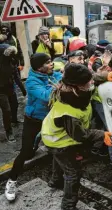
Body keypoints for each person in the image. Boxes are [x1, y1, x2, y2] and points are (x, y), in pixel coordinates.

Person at [41, 63, 112, 210]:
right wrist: (101, 134)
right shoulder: (69, 113)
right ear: (77, 86)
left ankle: (55, 181)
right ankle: (68, 206)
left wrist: (105, 76)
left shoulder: (70, 88)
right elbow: (80, 136)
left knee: (59, 160)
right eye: (88, 83)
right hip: (59, 142)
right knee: (73, 173)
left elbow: (90, 78)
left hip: (53, 137)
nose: (92, 83)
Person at [5, 53, 62, 201]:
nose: (52, 64)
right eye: (48, 62)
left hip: (51, 119)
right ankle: (11, 181)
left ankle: (58, 177)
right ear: (39, 66)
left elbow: (65, 76)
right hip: (34, 120)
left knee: (59, 148)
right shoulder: (31, 82)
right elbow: (46, 96)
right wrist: (62, 85)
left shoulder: (53, 75)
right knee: (25, 152)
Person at [0, 43, 18, 142]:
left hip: (10, 88)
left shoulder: (12, 61)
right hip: (1, 90)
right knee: (6, 110)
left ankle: (14, 120)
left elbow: (16, 75)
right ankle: (9, 131)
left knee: (15, 105)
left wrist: (22, 89)